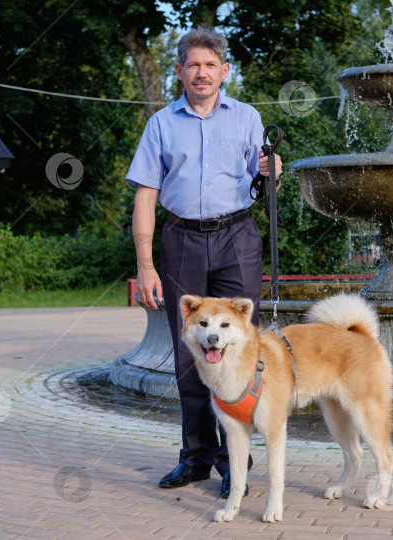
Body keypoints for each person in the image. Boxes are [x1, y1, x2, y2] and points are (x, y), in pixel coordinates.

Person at [126, 28, 282, 499]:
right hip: (181, 241)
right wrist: (146, 265)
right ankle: (195, 457)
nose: (201, 73)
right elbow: (146, 195)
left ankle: (235, 464)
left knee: (240, 350)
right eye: (193, 65)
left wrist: (270, 171)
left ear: (224, 71)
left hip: (238, 238)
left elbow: (265, 173)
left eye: (210, 65)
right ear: (179, 71)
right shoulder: (161, 124)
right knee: (190, 352)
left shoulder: (248, 118)